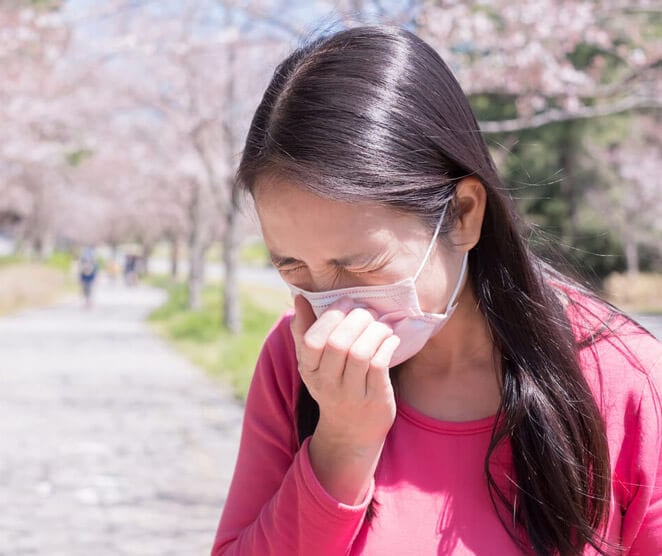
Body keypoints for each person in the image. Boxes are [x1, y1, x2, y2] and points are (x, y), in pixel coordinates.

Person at [211, 26, 661, 556]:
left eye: (360, 265)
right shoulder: (294, 362)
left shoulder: (622, 378)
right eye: (292, 267)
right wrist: (343, 443)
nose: (332, 308)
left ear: (465, 215)